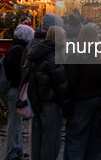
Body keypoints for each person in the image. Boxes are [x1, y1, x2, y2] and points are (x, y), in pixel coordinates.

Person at [65, 24, 101, 160]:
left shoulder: (75, 55)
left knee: (76, 139)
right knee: (96, 140)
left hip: (81, 100)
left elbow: (71, 81)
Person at [26, 26, 71, 160]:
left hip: (37, 101)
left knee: (37, 139)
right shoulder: (55, 56)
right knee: (50, 142)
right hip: (50, 103)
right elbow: (61, 85)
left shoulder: (37, 52)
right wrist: (67, 107)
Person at [4, 24, 35, 160]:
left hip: (15, 88)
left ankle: (18, 149)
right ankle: (11, 152)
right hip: (16, 88)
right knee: (14, 122)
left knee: (17, 121)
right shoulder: (19, 50)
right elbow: (15, 72)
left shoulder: (15, 48)